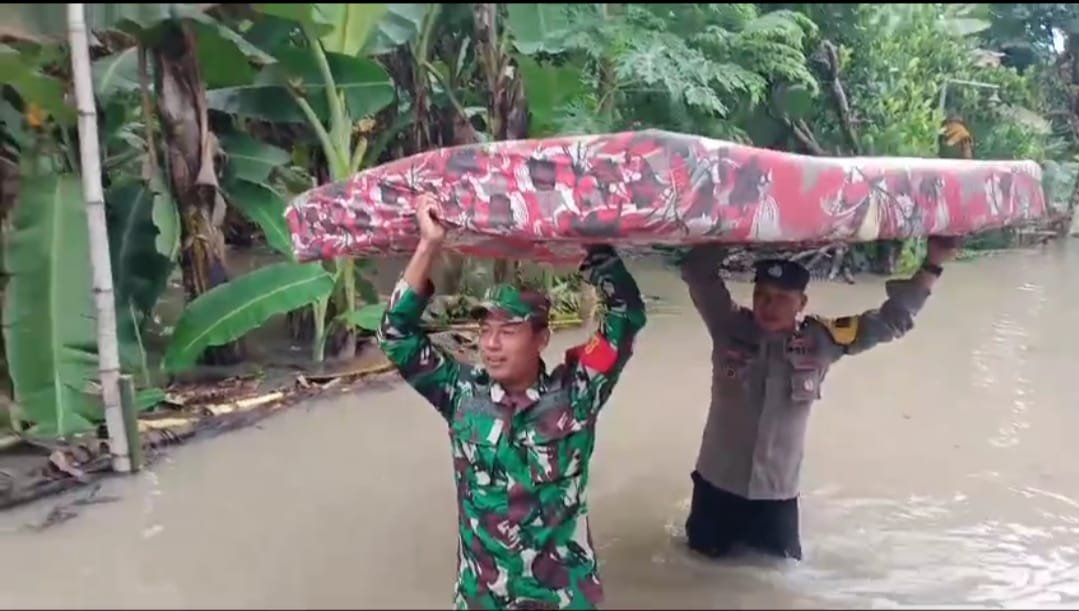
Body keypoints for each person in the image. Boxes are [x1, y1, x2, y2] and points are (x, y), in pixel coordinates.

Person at [377, 195, 648, 610]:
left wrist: (592, 243)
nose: (490, 343)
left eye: (508, 330)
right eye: (485, 329)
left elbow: (625, 316)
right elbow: (395, 334)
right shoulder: (461, 394)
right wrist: (428, 244)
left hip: (562, 595)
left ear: (542, 339)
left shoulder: (577, 394)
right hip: (485, 597)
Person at [675, 237, 961, 561]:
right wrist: (730, 231)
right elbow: (697, 272)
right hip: (716, 488)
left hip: (776, 497)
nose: (770, 306)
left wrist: (933, 263)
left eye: (783, 298)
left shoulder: (822, 340)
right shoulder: (728, 327)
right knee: (694, 568)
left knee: (777, 581)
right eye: (762, 296)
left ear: (802, 303)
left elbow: (892, 321)